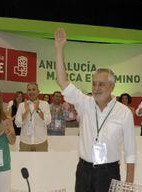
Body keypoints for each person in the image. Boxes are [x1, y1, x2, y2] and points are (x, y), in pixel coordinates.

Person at [55, 28, 135, 192]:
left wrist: (128, 183)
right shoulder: (84, 103)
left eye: (101, 84)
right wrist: (59, 49)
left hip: (109, 172)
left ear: (112, 86)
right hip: (84, 170)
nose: (96, 88)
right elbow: (62, 80)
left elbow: (130, 151)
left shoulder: (124, 112)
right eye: (94, 83)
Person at [15, 83, 51, 151]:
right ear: (27, 92)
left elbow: (48, 120)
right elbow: (18, 123)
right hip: (25, 142)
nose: (31, 92)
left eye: (34, 89)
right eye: (29, 90)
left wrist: (38, 110)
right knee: (24, 161)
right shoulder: (22, 105)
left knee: (41, 161)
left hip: (41, 142)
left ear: (38, 92)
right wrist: (26, 111)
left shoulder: (45, 104)